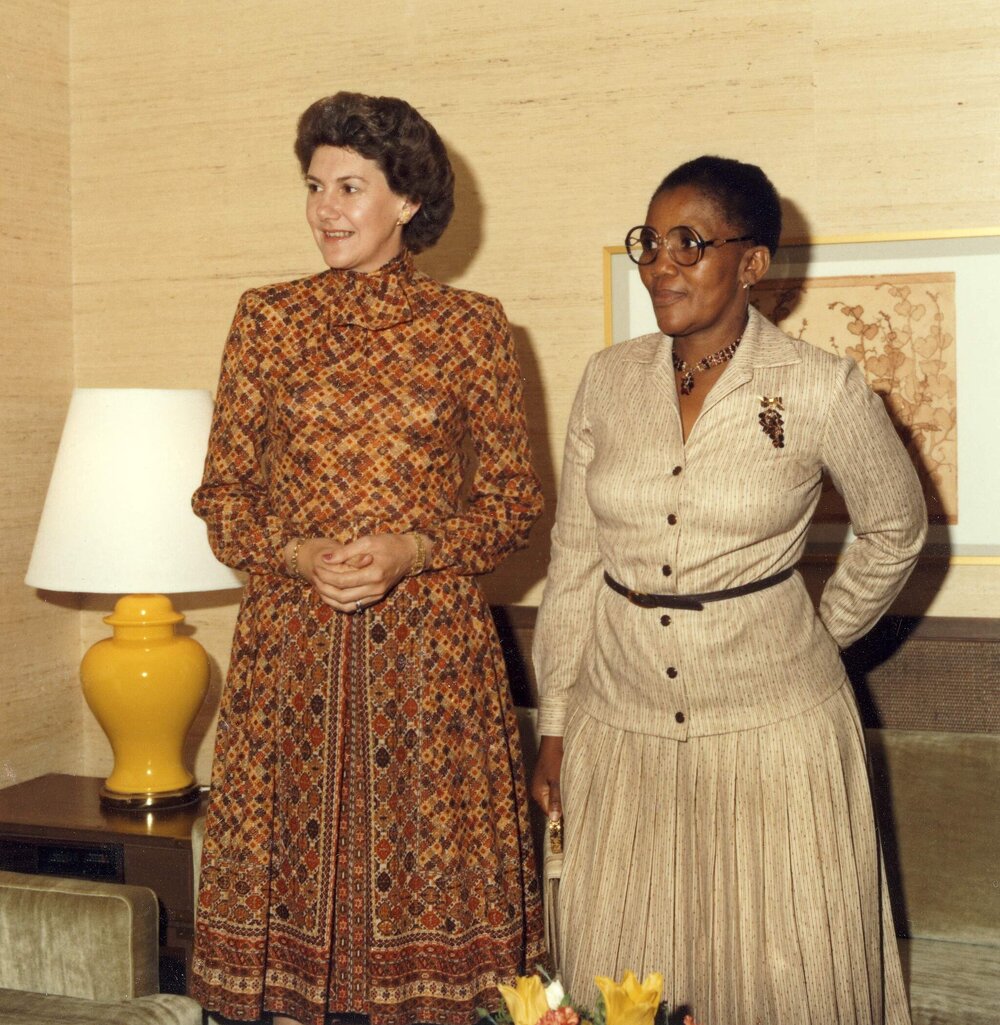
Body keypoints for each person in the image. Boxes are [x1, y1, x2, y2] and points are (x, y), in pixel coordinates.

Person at [531, 156, 925, 1024]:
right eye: (650, 243)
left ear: (752, 263)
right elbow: (575, 558)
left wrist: (819, 633)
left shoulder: (820, 386)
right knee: (621, 968)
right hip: (620, 726)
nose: (660, 266)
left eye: (690, 243)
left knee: (785, 966)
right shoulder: (607, 380)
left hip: (777, 738)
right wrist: (555, 722)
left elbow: (897, 526)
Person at [191, 91, 545, 1025]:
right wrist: (299, 550)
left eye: (350, 187)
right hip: (290, 653)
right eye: (315, 187)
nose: (325, 209)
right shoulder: (267, 319)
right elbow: (223, 496)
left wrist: (414, 548)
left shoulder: (472, 327)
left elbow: (514, 501)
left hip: (432, 660)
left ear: (408, 201)